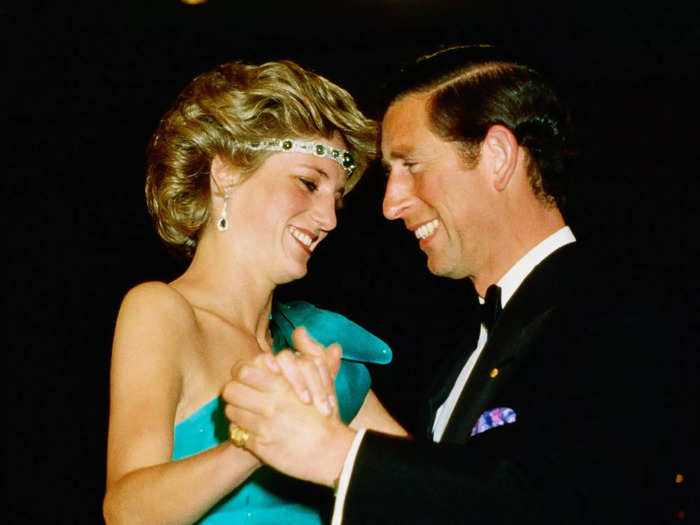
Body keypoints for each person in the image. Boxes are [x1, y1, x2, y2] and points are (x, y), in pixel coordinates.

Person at [222, 46, 686, 524]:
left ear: (498, 156)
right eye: (389, 174)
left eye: (411, 166)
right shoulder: (463, 350)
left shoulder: (619, 309)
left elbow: (586, 499)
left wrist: (336, 455)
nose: (390, 204)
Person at [103, 60, 406, 525]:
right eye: (308, 184)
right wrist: (256, 441)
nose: (329, 219)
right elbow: (128, 511)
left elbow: (428, 488)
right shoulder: (162, 311)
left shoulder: (317, 344)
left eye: (337, 198)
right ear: (225, 173)